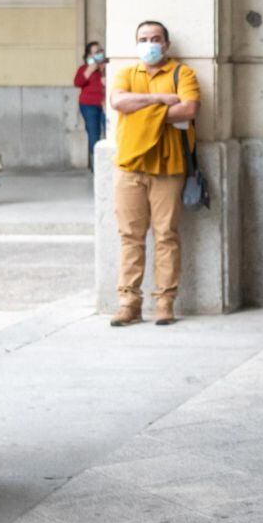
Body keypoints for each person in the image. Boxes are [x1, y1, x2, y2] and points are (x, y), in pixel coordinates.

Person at [108, 21, 200, 328]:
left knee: (166, 236)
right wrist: (160, 101)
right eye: (143, 39)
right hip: (129, 167)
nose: (149, 44)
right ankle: (129, 303)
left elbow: (188, 110)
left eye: (155, 39)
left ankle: (165, 302)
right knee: (130, 237)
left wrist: (138, 112)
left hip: (168, 168)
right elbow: (118, 101)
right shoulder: (126, 73)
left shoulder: (181, 73)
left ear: (167, 44)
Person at [74, 41, 107, 171]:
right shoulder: (84, 68)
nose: (99, 53)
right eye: (96, 52)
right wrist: (89, 70)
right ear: (89, 55)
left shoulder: (107, 67)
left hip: (105, 105)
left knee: (109, 132)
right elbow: (77, 82)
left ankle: (107, 165)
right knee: (94, 133)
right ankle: (96, 166)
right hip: (88, 105)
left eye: (100, 51)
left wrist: (104, 72)